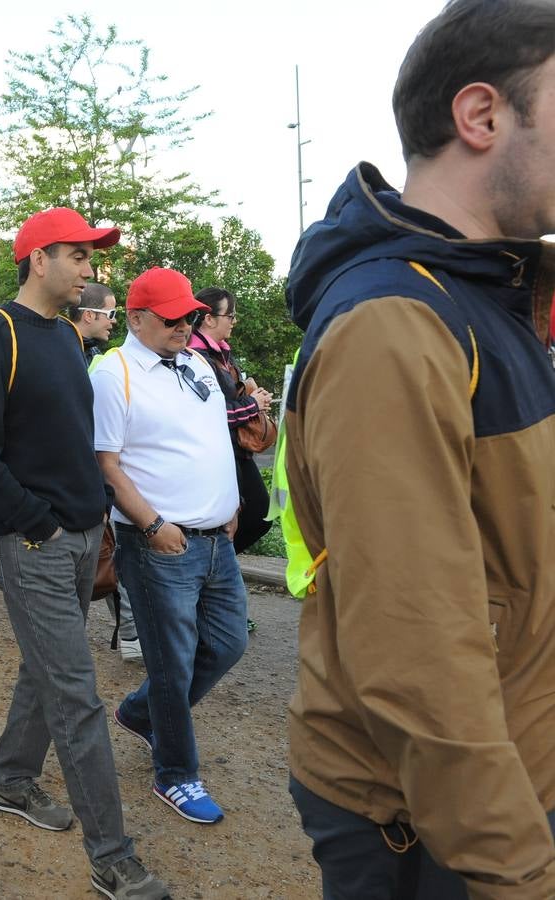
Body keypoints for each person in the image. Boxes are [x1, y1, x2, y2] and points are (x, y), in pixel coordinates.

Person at [282, 2, 555, 893]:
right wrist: (518, 873)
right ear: (482, 117)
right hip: (434, 819)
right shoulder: (397, 326)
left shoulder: (488, 295)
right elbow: (417, 656)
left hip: (503, 772)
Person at [0, 208, 169, 899]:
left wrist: (91, 521)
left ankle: (11, 781)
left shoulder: (64, 337)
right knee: (77, 698)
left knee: (44, 672)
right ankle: (113, 857)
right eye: (78, 256)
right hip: (34, 543)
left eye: (90, 257)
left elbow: (68, 439)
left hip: (80, 539)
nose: (89, 269)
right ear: (37, 258)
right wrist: (39, 526)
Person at [93, 267, 246, 827]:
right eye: (172, 317)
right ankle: (176, 775)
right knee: (172, 666)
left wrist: (228, 505)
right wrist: (153, 524)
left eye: (190, 316)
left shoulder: (196, 363)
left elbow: (210, 441)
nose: (185, 324)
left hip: (215, 539)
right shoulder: (114, 374)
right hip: (159, 542)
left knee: (228, 645)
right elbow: (104, 464)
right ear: (135, 318)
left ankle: (139, 712)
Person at [70, 284, 141, 662]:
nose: (115, 322)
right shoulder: (76, 356)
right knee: (108, 556)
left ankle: (129, 632)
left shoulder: (90, 354)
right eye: (111, 314)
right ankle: (127, 633)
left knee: (108, 556)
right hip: (86, 483)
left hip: (96, 483)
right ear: (90, 314)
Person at [188, 287, 273, 556]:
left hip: (236, 450)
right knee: (241, 515)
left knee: (258, 513)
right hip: (216, 453)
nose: (234, 321)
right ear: (209, 318)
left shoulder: (222, 354)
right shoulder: (195, 357)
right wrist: (252, 405)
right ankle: (210, 566)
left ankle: (215, 565)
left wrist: (253, 398)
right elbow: (211, 413)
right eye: (230, 315)